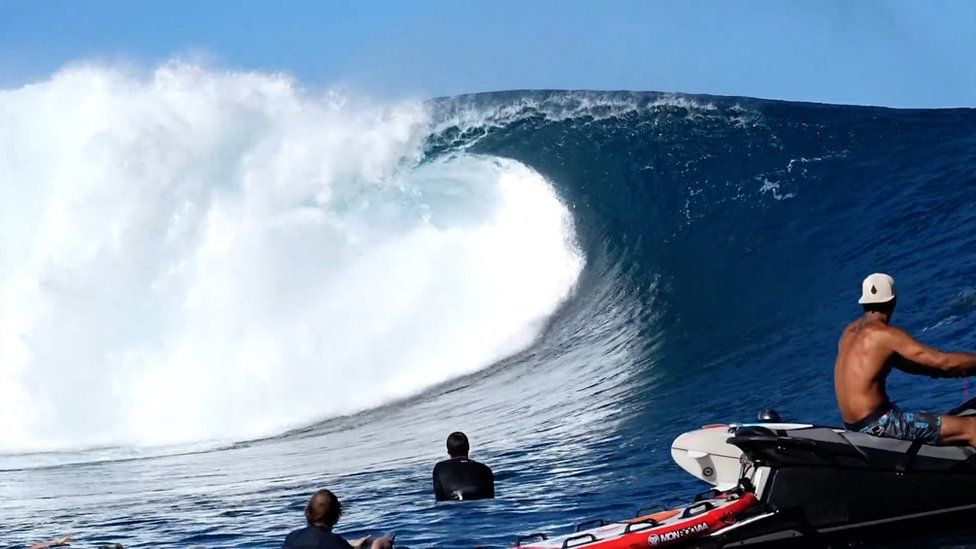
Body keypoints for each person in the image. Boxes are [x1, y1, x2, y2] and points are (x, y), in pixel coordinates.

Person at [835, 273, 976, 446]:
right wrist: (949, 368)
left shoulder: (848, 333)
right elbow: (943, 361)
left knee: (946, 420)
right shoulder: (883, 334)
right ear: (893, 301)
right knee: (971, 427)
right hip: (880, 424)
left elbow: (906, 363)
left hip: (853, 427)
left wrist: (948, 372)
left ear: (864, 302)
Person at [283, 489, 393, 549]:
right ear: (337, 516)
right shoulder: (335, 543)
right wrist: (379, 544)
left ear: (307, 512)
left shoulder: (291, 538)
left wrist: (350, 545)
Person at [432, 432, 494, 501]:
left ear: (448, 452)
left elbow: (440, 500)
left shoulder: (440, 468)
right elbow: (490, 499)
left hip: (454, 505)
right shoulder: (486, 469)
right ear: (468, 448)